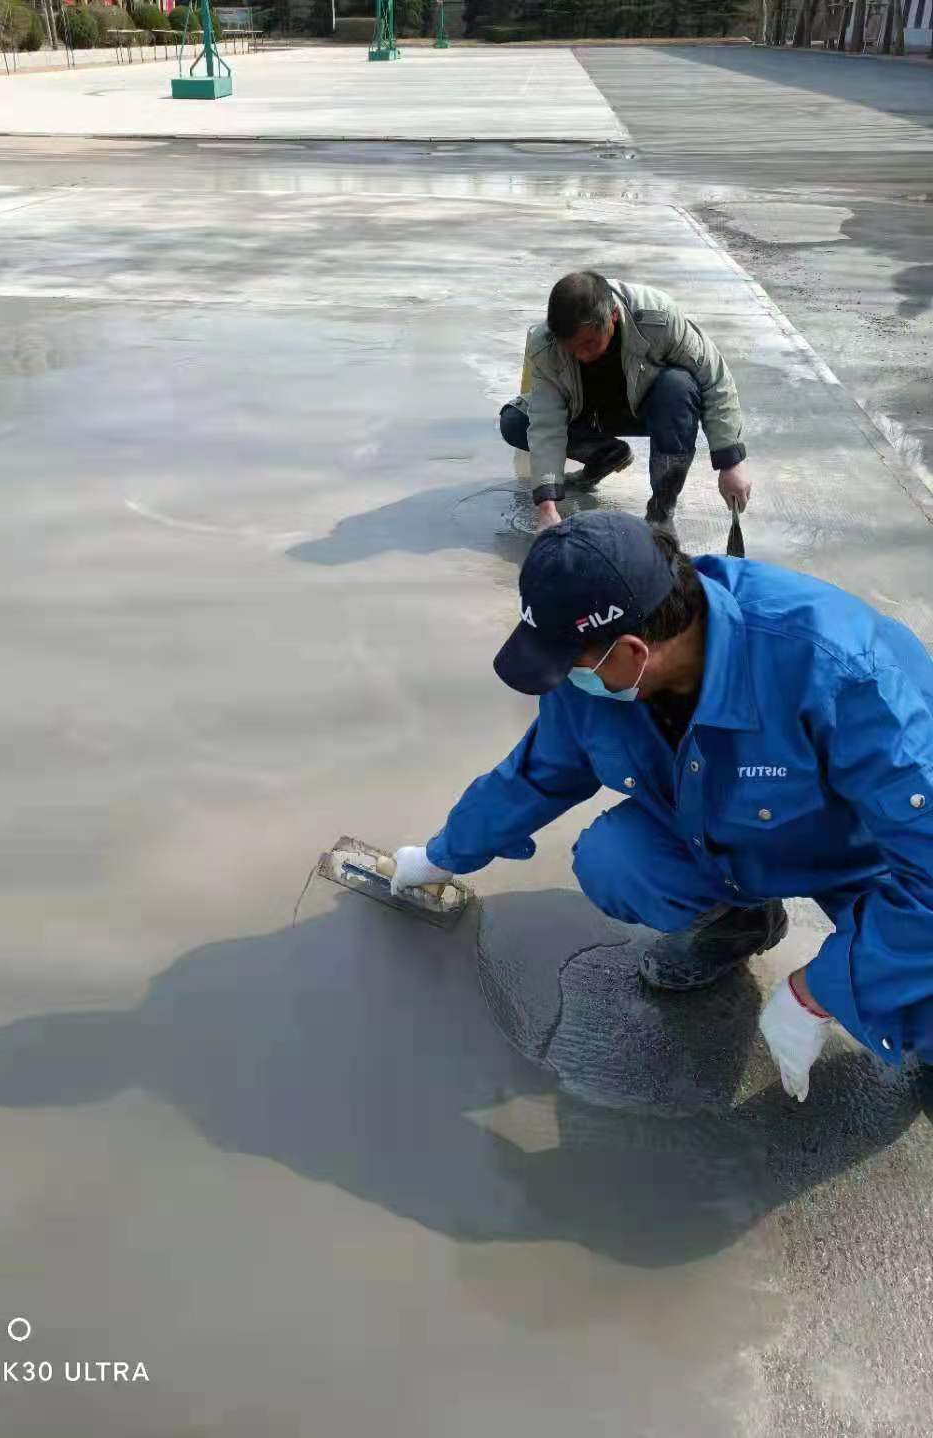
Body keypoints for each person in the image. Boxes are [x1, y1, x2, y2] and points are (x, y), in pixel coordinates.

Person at [392, 512, 933, 1102]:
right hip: (727, 834)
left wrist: (818, 992)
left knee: (916, 1009)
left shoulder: (838, 670)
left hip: (870, 860)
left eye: (571, 665)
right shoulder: (597, 678)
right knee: (615, 860)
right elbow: (536, 774)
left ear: (630, 650)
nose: (567, 682)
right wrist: (443, 855)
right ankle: (741, 922)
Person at [499, 271, 752, 531]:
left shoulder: (658, 317)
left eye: (589, 343)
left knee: (679, 385)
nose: (582, 355)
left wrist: (730, 462)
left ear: (613, 317)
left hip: (645, 410)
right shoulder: (547, 345)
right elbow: (546, 421)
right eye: (572, 348)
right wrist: (547, 508)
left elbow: (714, 379)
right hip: (586, 416)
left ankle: (661, 513)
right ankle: (604, 453)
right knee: (516, 420)